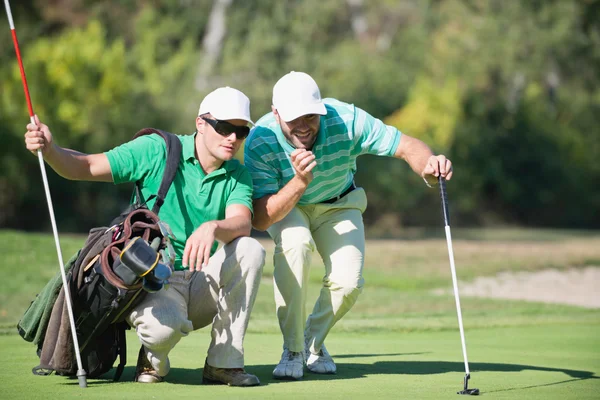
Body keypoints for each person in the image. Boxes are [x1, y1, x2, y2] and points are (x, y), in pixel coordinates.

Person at [24, 87, 266, 387]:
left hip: (204, 281)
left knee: (251, 249)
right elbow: (85, 165)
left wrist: (213, 227)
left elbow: (241, 222)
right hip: (155, 280)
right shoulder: (157, 149)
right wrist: (51, 150)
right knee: (164, 332)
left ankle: (224, 364)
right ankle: (153, 359)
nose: (232, 138)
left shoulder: (237, 174)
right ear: (200, 123)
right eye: (224, 128)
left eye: (241, 131)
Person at [244, 71, 453, 380]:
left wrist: (429, 165)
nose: (304, 124)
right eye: (294, 118)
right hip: (289, 207)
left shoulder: (346, 119)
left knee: (349, 282)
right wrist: (300, 183)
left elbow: (405, 145)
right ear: (276, 114)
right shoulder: (260, 139)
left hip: (339, 202)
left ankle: (311, 341)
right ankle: (292, 348)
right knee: (295, 244)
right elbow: (261, 219)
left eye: (311, 116)